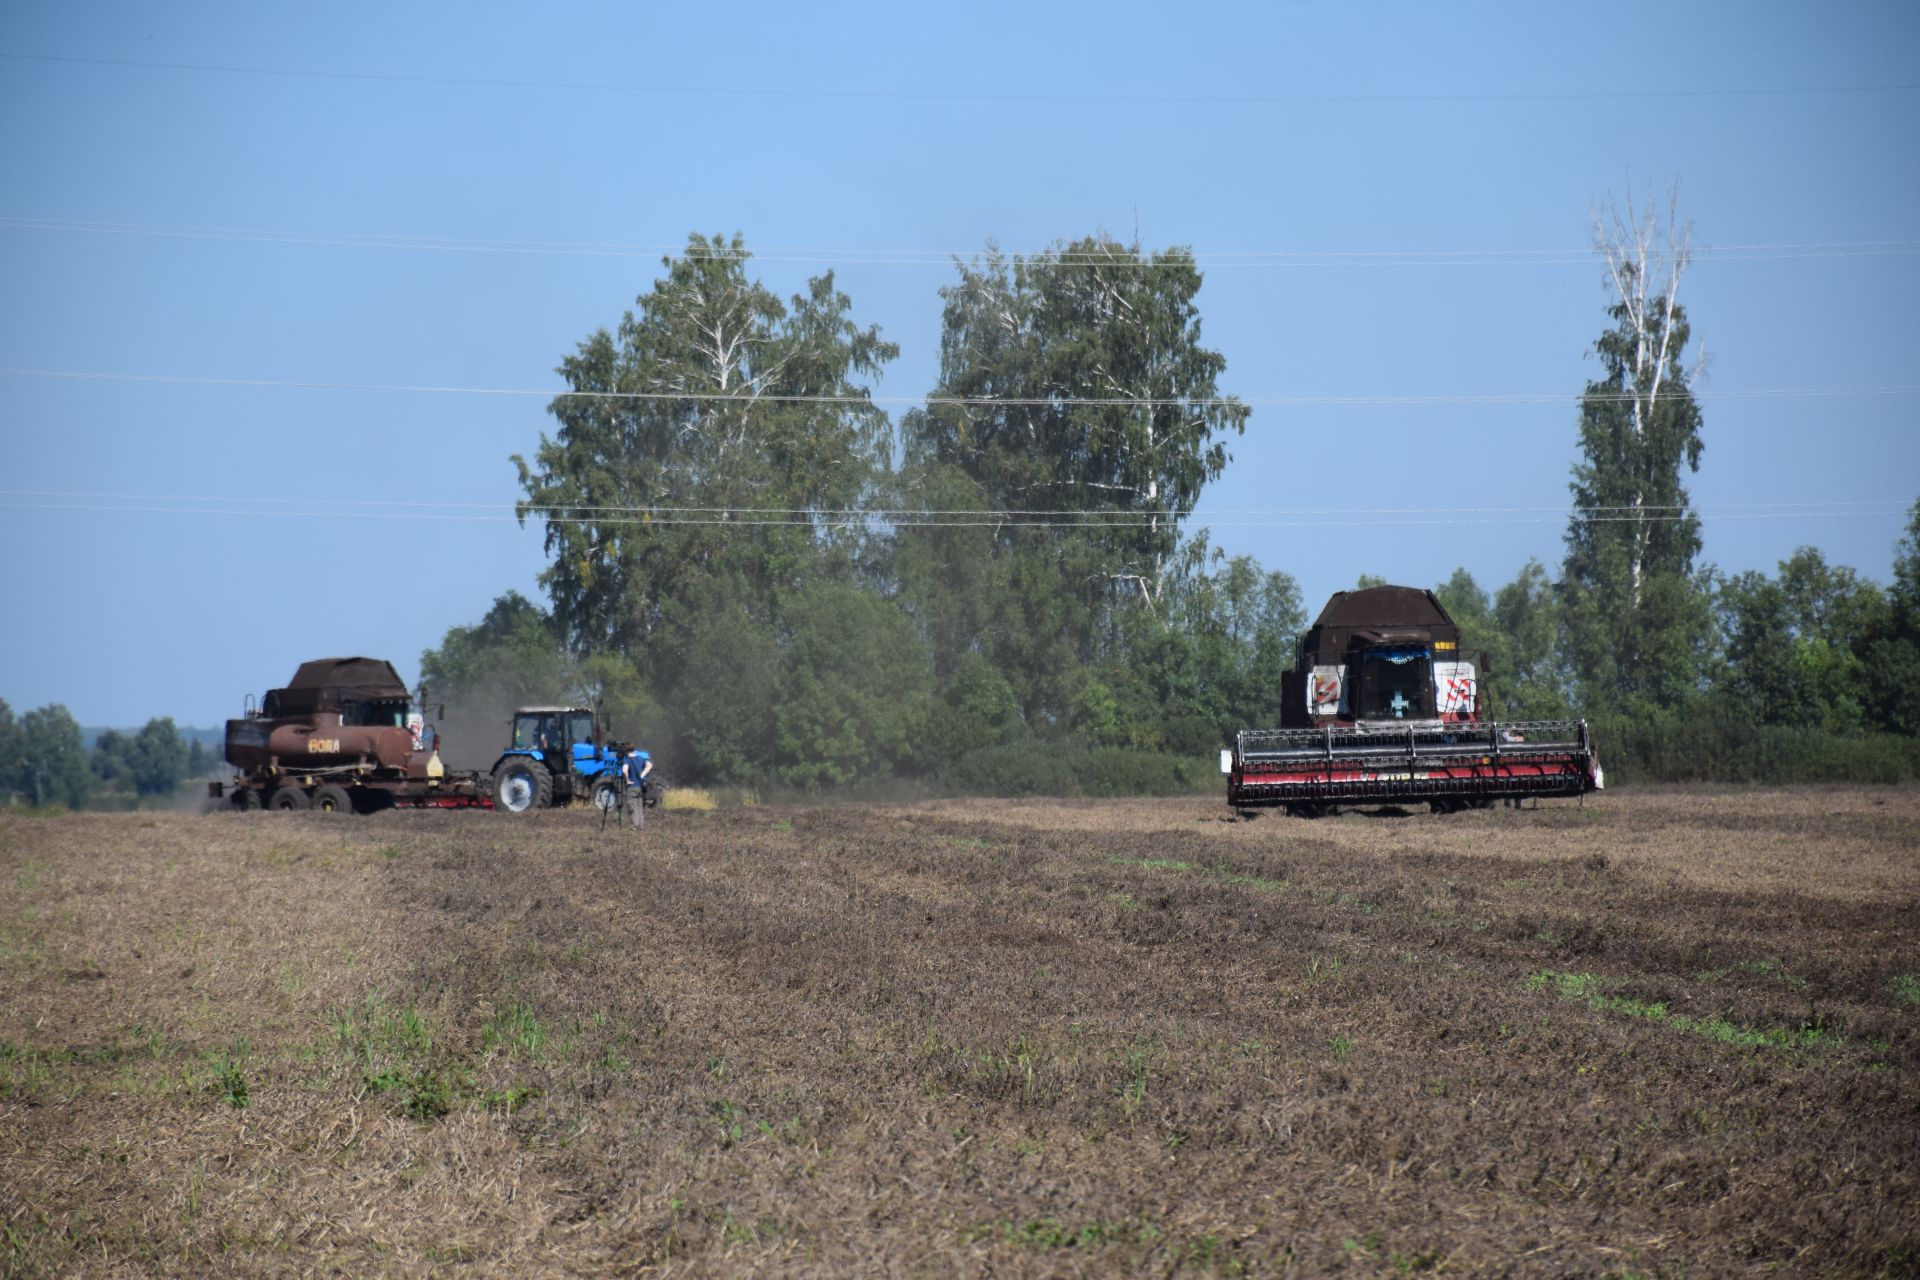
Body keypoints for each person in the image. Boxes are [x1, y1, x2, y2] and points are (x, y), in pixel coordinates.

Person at [620, 748, 652, 830]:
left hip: (632, 787)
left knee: (632, 807)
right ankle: (641, 826)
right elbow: (650, 765)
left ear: (627, 751)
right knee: (639, 806)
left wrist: (627, 780)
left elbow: (624, 770)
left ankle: (635, 825)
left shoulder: (627, 759)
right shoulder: (640, 758)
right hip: (640, 787)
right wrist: (642, 775)